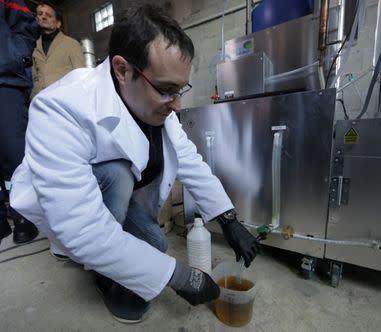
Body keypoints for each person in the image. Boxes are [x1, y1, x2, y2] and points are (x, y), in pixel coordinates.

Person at [10, 4, 260, 323]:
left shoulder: (151, 102)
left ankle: (112, 257)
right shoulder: (61, 108)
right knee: (116, 174)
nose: (178, 105)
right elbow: (83, 226)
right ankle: (101, 274)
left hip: (113, 203)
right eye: (167, 90)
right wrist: (180, 277)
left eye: (180, 89)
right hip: (67, 210)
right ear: (122, 69)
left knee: (155, 243)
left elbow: (189, 160)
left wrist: (228, 219)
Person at [0, 0, 40, 245]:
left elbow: (25, 23)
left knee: (13, 153)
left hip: (4, 80)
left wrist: (14, 55)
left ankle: (23, 216)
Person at [31, 1, 84, 99]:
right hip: (40, 101)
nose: (43, 17)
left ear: (58, 24)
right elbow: (34, 77)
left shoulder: (71, 44)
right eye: (40, 14)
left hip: (64, 100)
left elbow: (80, 76)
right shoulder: (33, 46)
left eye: (49, 15)